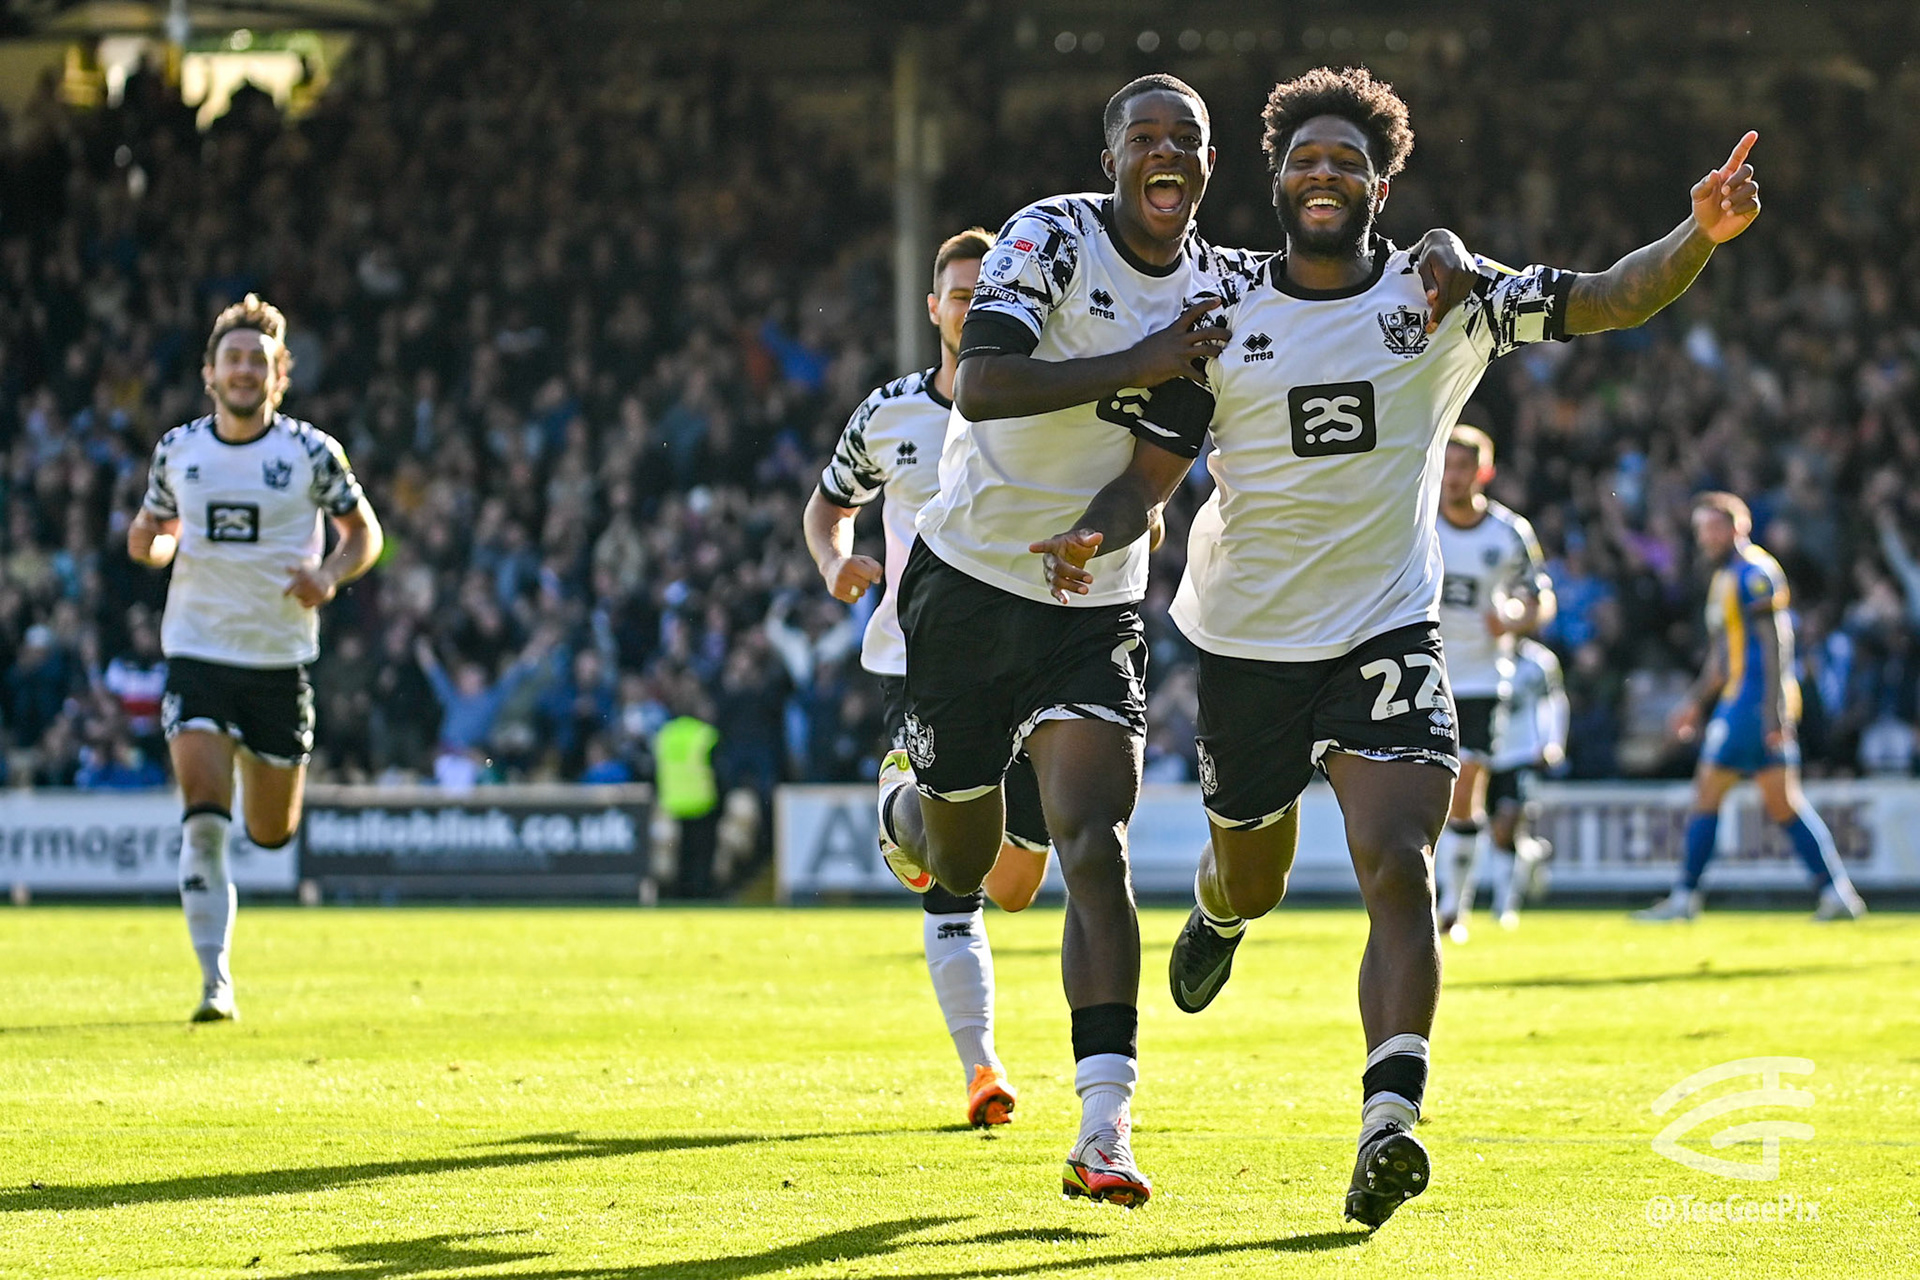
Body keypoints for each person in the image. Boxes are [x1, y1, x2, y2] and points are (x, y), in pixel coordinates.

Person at [1034, 66, 1763, 1226]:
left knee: (1399, 859)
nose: (1324, 174)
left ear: (1382, 184)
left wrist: (1699, 233)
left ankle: (1390, 1117)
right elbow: (1151, 477)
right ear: (1275, 180)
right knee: (1252, 870)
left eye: (1348, 161)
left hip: (1387, 626)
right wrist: (1096, 528)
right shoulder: (1221, 309)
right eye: (1305, 160)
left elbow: (1611, 297)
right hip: (1248, 644)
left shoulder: (1446, 297)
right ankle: (1222, 910)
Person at [875, 74, 1264, 1207]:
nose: (1166, 152)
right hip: (966, 581)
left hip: (1092, 602)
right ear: (1112, 161)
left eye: (1186, 139)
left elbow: (1154, 471)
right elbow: (984, 383)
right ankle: (903, 805)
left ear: (1208, 165)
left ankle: (1105, 1125)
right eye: (1145, 136)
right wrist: (1139, 360)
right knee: (964, 867)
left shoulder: (1217, 291)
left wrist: (1099, 530)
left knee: (1095, 843)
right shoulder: (1049, 236)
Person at [802, 228, 1050, 1130]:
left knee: (1015, 884)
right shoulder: (891, 413)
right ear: (936, 307)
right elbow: (829, 504)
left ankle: (903, 811)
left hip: (1032, 655)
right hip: (922, 662)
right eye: (960, 292)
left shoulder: (1044, 400)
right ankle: (982, 1069)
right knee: (955, 875)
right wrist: (835, 562)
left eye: (989, 291)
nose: (972, 304)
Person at [127, 294, 382, 1022]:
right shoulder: (179, 450)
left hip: (277, 661)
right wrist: (152, 546)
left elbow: (364, 534)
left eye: (257, 361)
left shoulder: (310, 453)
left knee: (271, 833)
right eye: (232, 358)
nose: (244, 371)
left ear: (279, 377)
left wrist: (328, 576)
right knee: (205, 818)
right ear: (209, 373)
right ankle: (215, 983)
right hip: (197, 651)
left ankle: (249, 759)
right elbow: (157, 529)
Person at [1636, 493, 1867, 922]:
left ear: (1737, 527)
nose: (1705, 537)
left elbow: (1777, 640)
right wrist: (1694, 703)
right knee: (1783, 803)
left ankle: (1684, 897)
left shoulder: (1754, 573)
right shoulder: (1725, 578)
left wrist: (1773, 709)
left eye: (1713, 528)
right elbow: (1723, 657)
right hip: (1745, 700)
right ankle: (1837, 894)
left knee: (1708, 792)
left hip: (1751, 702)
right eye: (1701, 529)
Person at [1432, 423, 1554, 943]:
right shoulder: (1417, 521)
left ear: (1484, 473)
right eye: (1447, 466)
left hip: (1483, 677)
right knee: (1423, 792)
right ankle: (1433, 897)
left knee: (1465, 790)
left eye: (1464, 467)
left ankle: (1451, 908)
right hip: (1423, 669)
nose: (1452, 477)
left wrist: (1515, 617)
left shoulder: (1507, 533)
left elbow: (1539, 598)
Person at [1487, 637, 1569, 929]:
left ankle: (1504, 905)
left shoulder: (1539, 661)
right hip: (1485, 752)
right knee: (1491, 830)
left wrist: (1553, 742)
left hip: (1521, 752)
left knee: (1506, 824)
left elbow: (1554, 702)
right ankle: (1532, 853)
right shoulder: (1478, 653)